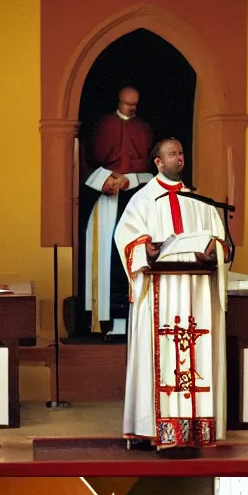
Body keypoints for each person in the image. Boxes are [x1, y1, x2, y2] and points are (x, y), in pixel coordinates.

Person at [113, 137, 232, 453]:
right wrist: (145, 250)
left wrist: (214, 251)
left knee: (197, 359)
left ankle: (195, 429)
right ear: (158, 162)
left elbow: (222, 244)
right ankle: (150, 428)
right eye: (172, 154)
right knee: (161, 356)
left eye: (181, 153)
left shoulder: (200, 202)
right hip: (160, 293)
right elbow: (125, 241)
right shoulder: (141, 201)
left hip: (196, 294)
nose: (179, 158)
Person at [83, 87, 154, 336]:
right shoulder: (104, 125)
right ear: (119, 101)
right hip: (107, 202)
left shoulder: (144, 129)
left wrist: (130, 179)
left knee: (134, 255)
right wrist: (106, 179)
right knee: (107, 259)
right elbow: (88, 162)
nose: (131, 108)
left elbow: (151, 171)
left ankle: (136, 318)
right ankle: (108, 321)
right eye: (127, 103)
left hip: (137, 201)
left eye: (135, 104)